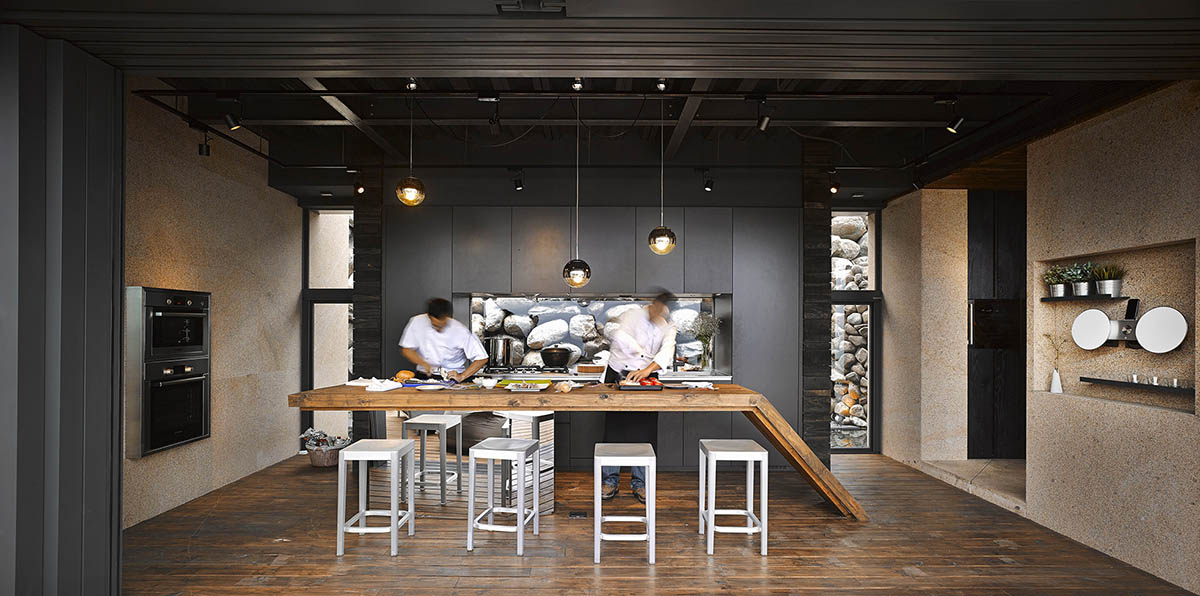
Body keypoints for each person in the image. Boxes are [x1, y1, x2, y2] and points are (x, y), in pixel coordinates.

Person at [601, 290, 677, 503]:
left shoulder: (668, 327)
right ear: (651, 305)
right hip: (618, 372)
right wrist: (642, 353)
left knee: (645, 431)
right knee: (614, 429)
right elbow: (622, 337)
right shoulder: (633, 315)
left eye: (661, 311)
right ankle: (610, 481)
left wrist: (647, 369)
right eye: (654, 309)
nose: (656, 313)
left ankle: (641, 484)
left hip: (647, 375)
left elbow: (667, 351)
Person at [399, 298, 488, 382]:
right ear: (429, 317)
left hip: (452, 378)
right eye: (435, 325)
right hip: (424, 377)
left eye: (441, 325)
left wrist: (462, 376)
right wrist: (424, 364)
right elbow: (407, 350)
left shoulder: (460, 330)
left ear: (447, 317)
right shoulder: (417, 322)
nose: (438, 328)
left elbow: (482, 358)